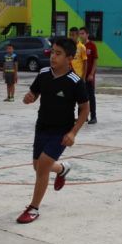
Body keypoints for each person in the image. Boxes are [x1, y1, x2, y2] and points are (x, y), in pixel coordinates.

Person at [18, 37, 89, 224]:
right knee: (38, 166)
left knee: (42, 167)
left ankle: (33, 208)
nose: (53, 57)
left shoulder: (75, 81)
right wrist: (29, 97)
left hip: (61, 132)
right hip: (41, 127)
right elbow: (34, 94)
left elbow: (85, 108)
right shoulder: (43, 74)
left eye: (58, 54)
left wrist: (73, 132)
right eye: (52, 53)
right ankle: (62, 169)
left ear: (70, 58)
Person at [79, 27, 98, 124]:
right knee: (81, 96)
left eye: (82, 33)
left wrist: (91, 74)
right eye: (80, 33)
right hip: (80, 75)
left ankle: (93, 116)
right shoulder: (79, 46)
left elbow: (95, 61)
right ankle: (82, 116)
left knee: (91, 96)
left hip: (89, 76)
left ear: (87, 34)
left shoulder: (92, 45)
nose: (81, 35)